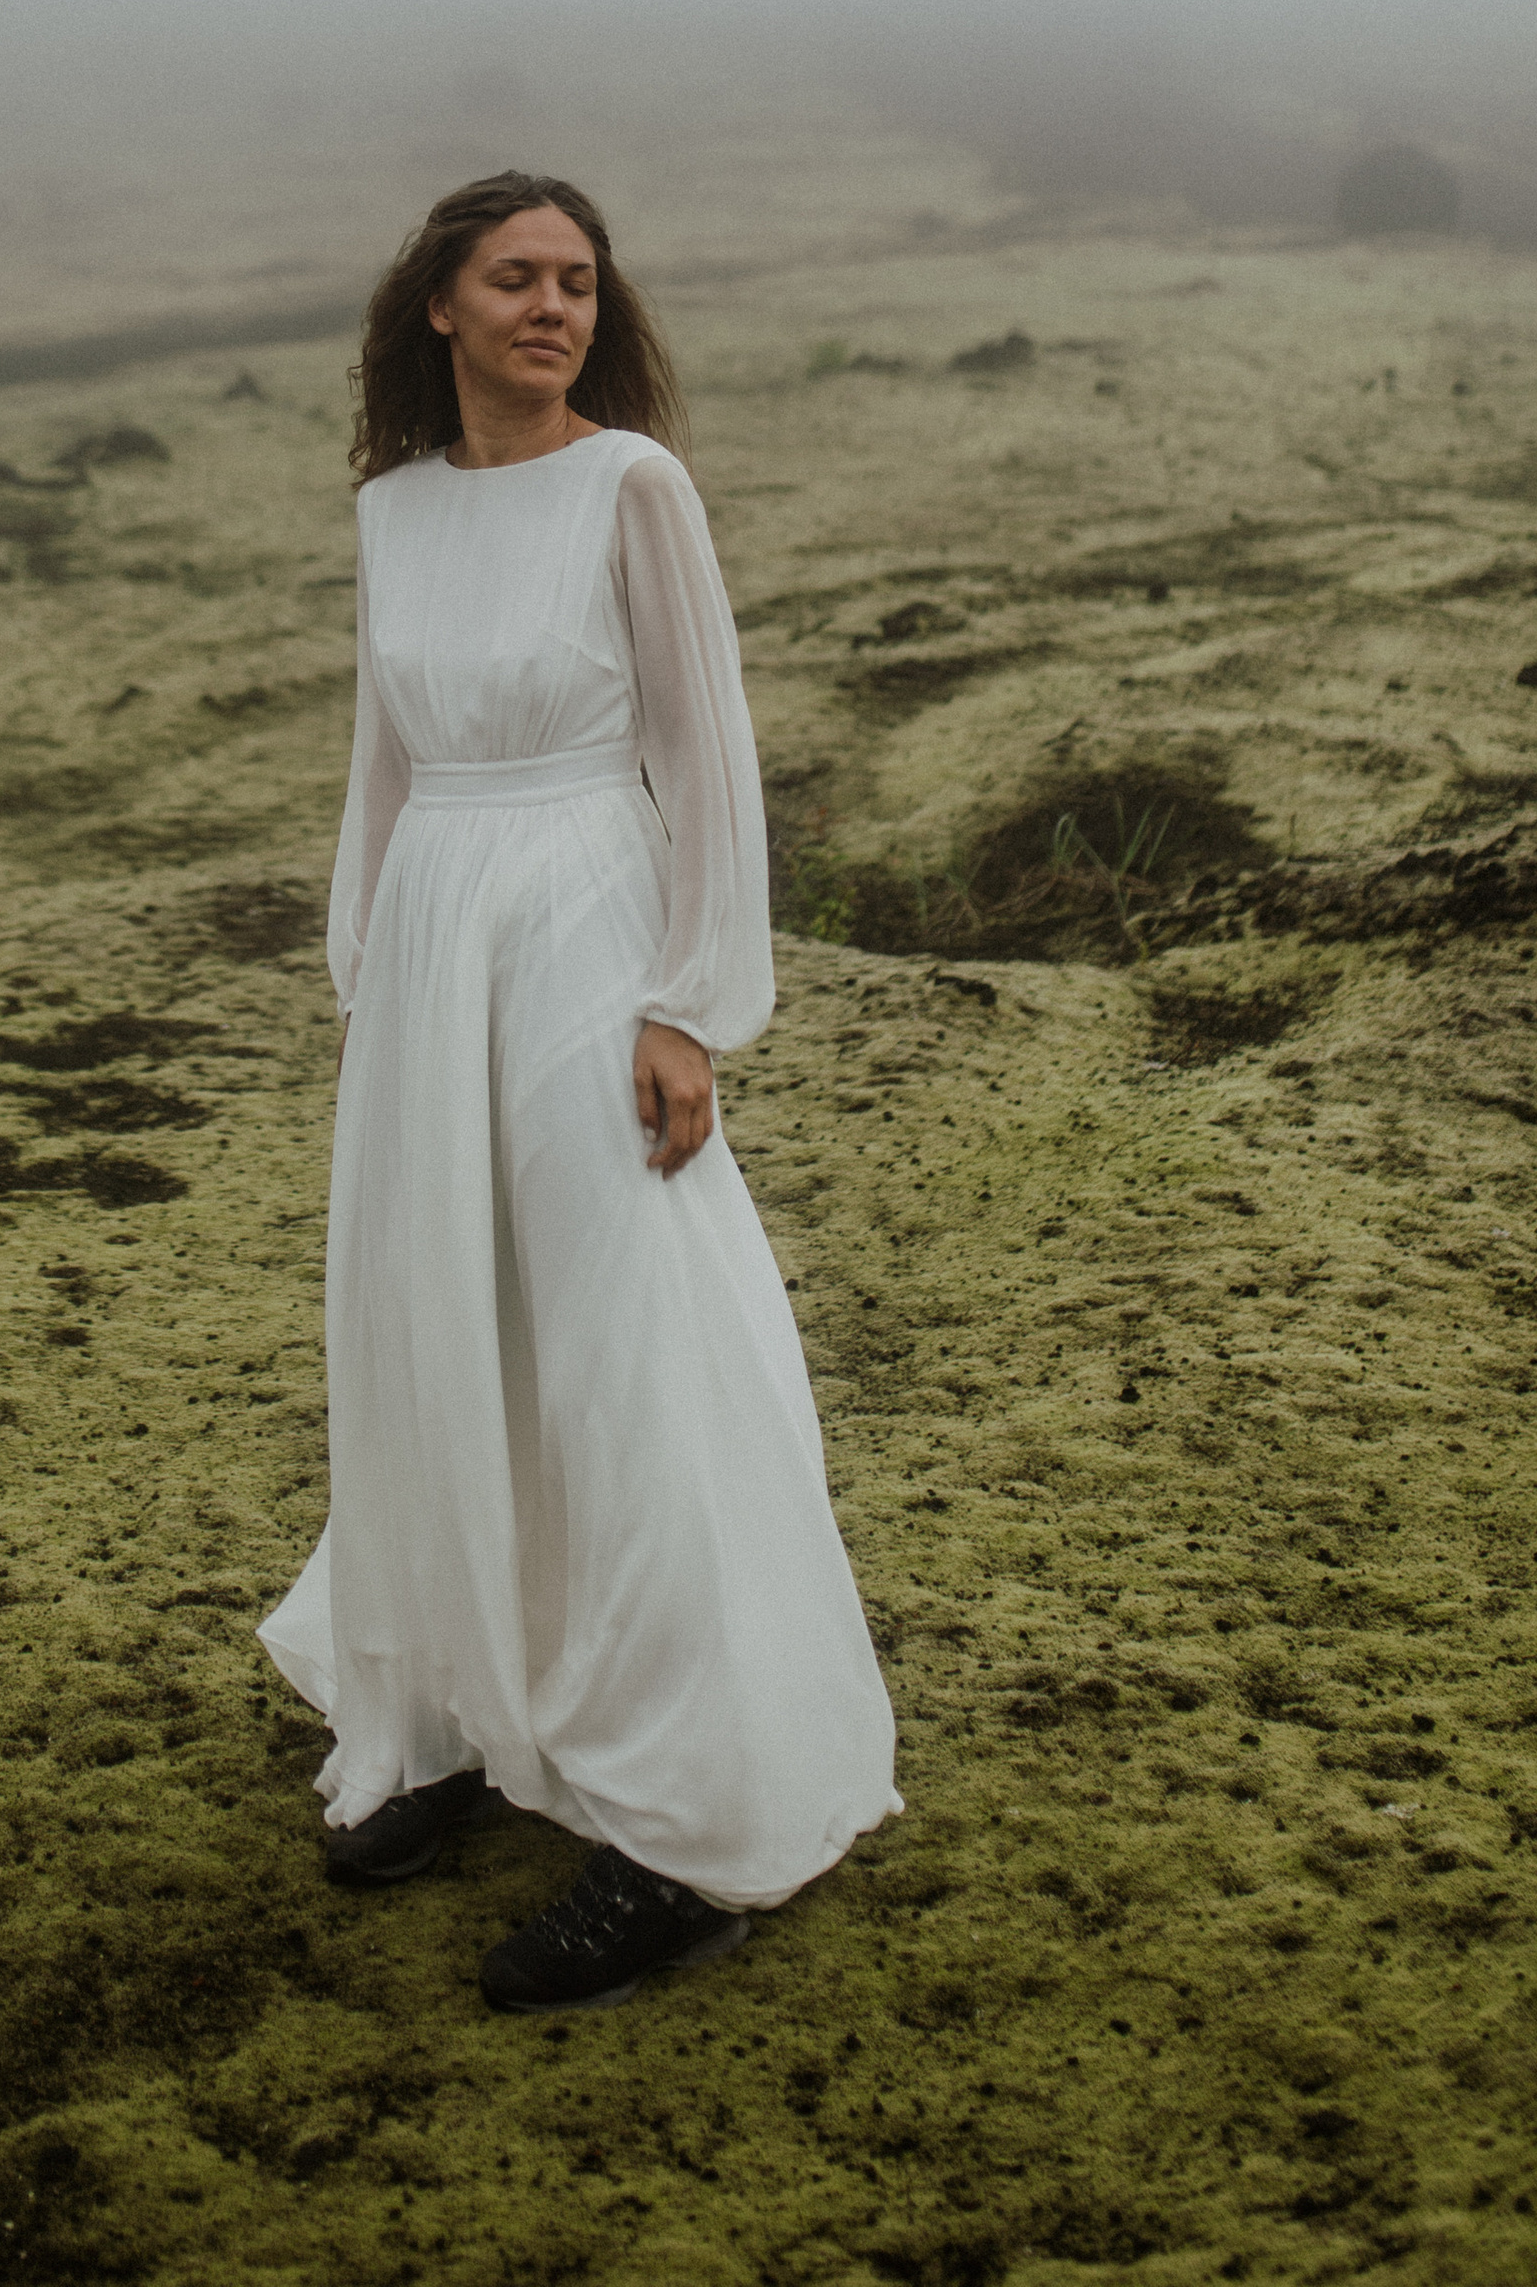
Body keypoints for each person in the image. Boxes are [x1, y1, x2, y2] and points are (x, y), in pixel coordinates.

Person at [258, 169, 900, 2014]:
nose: (554, 308)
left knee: (625, 1351)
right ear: (439, 305)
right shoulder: (392, 509)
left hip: (589, 935)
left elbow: (705, 750)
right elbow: (384, 763)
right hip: (432, 952)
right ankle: (455, 1717)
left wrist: (689, 1005)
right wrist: (367, 976)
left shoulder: (633, 486)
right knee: (442, 1329)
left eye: (578, 283)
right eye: (515, 279)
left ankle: (692, 1827)